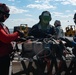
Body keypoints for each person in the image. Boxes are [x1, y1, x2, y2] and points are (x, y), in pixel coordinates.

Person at [0, 3, 24, 75]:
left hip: (4, 57)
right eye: (5, 15)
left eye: (7, 16)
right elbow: (6, 38)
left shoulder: (3, 26)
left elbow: (7, 37)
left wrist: (17, 39)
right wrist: (18, 33)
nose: (6, 18)